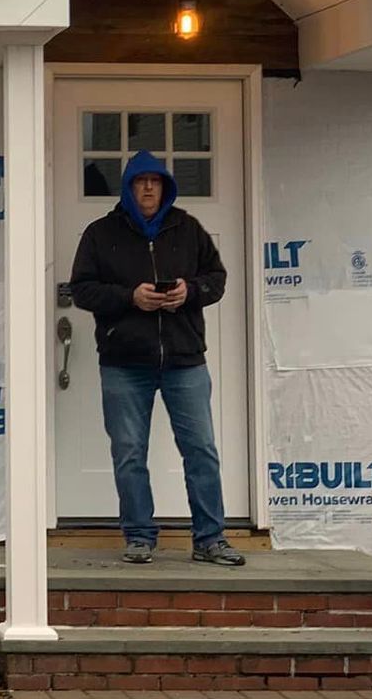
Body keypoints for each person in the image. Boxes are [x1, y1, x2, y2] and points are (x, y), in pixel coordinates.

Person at [71, 149, 244, 566]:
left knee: (201, 449)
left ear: (165, 187)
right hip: (124, 363)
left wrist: (189, 292)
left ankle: (210, 539)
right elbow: (82, 289)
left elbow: (216, 279)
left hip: (185, 361)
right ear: (128, 187)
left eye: (155, 181)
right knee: (129, 452)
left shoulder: (188, 228)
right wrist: (130, 298)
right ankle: (139, 536)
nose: (148, 188)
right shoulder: (100, 233)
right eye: (140, 181)